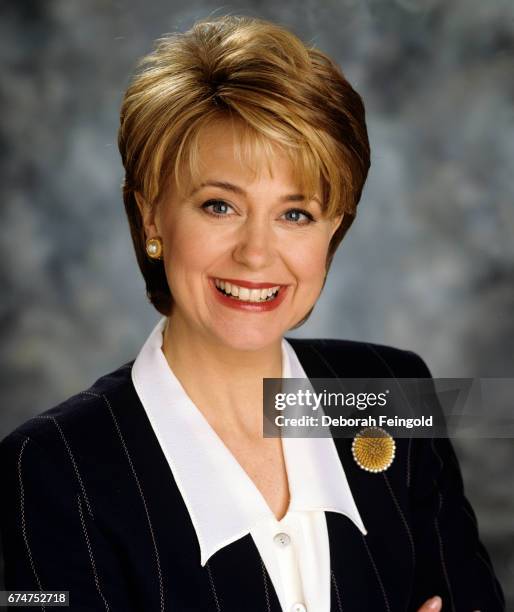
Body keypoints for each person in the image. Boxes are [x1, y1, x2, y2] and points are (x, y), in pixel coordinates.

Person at [0, 14, 505, 612]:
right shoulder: (48, 469)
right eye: (219, 206)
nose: (257, 253)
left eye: (296, 214)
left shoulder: (396, 392)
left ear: (333, 229)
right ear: (151, 216)